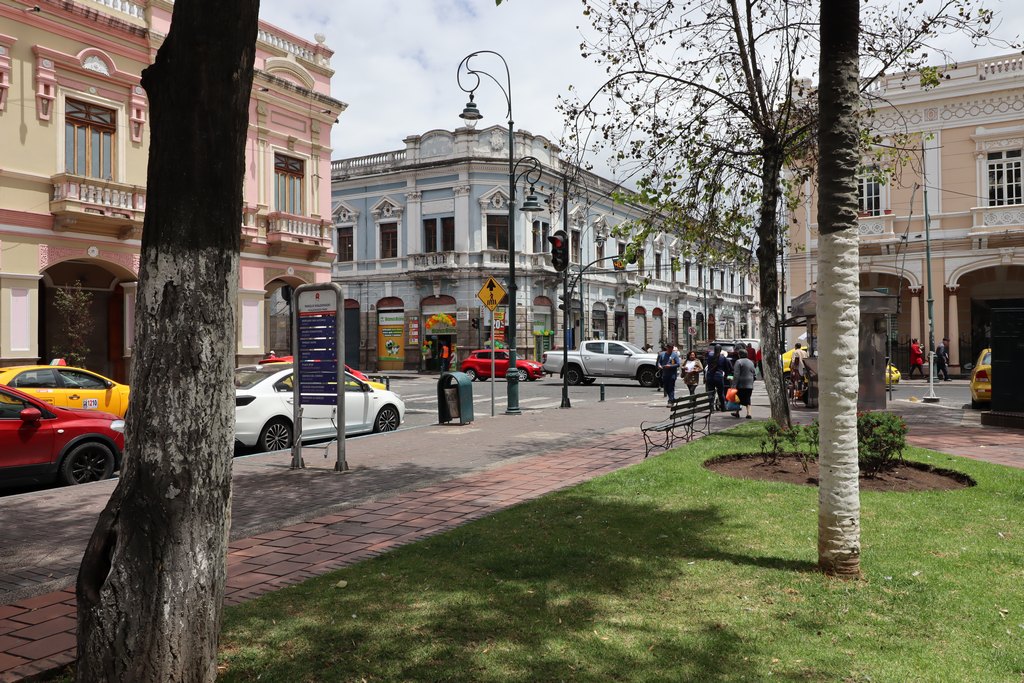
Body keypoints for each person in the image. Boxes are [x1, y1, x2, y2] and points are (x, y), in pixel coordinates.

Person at [731, 348, 756, 419]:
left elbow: (736, 375)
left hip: (741, 384)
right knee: (748, 398)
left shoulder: (738, 362)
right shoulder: (751, 362)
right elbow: (754, 374)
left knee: (738, 398)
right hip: (749, 384)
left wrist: (734, 385)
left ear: (740, 355)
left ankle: (737, 412)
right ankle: (749, 413)